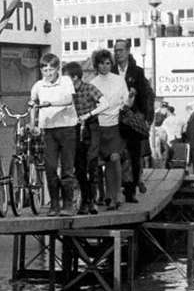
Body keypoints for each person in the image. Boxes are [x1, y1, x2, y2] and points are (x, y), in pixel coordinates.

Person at [28, 52, 77, 214]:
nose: (48, 74)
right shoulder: (38, 86)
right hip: (48, 130)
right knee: (50, 167)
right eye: (45, 70)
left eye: (51, 70)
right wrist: (32, 123)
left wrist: (51, 104)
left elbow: (69, 100)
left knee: (67, 168)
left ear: (57, 69)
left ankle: (68, 204)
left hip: (67, 128)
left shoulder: (66, 81)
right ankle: (54, 204)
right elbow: (32, 104)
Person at [87, 48, 127, 211]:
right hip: (98, 126)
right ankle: (102, 195)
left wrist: (128, 101)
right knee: (98, 163)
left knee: (114, 160)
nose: (105, 66)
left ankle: (114, 195)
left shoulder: (119, 80)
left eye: (108, 63)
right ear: (96, 65)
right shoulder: (93, 83)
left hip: (115, 124)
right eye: (101, 63)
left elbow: (125, 101)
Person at [117, 41, 153, 200]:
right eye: (116, 51)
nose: (118, 53)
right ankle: (119, 186)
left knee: (134, 154)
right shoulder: (110, 70)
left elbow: (144, 96)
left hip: (133, 118)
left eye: (121, 50)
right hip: (116, 118)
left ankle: (131, 190)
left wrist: (145, 117)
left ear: (127, 51)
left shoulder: (137, 72)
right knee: (117, 154)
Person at [66, 59, 101, 214]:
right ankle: (85, 200)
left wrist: (88, 114)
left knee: (91, 165)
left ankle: (91, 200)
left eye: (66, 78)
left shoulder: (89, 88)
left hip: (91, 127)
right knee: (79, 167)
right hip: (75, 128)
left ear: (75, 77)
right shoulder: (67, 93)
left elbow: (104, 103)